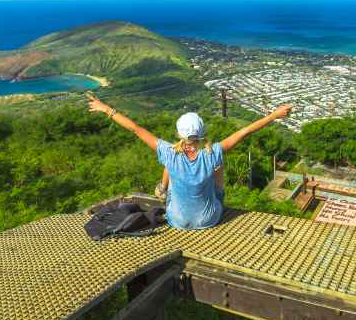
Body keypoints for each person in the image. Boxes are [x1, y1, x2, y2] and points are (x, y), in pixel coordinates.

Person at [86, 92, 293, 230]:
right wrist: (274, 115)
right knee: (218, 165)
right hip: (208, 219)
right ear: (202, 133)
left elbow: (135, 128)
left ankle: (162, 188)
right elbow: (245, 131)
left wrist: (106, 109)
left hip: (177, 220)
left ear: (178, 133)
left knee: (171, 162)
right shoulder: (212, 153)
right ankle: (188, 195)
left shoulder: (168, 151)